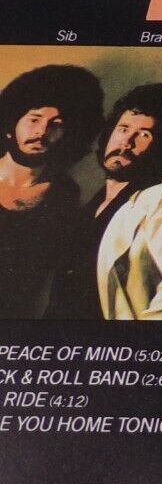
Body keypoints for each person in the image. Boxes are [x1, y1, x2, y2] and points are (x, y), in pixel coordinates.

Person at [47, 83, 162, 321]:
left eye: (144, 134)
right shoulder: (93, 202)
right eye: (123, 129)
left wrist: (142, 335)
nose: (126, 142)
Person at [0, 64, 104, 317]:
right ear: (11, 123)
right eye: (34, 119)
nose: (41, 132)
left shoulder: (64, 194)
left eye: (55, 124)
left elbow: (52, 275)